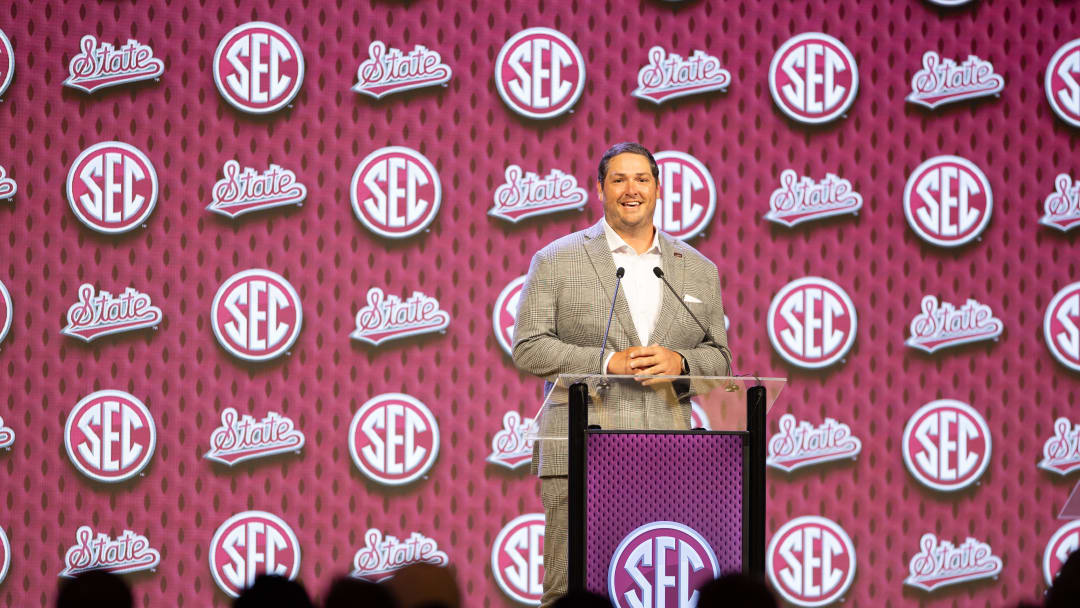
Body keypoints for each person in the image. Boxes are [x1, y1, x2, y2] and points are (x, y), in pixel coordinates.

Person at [512, 142, 732, 607]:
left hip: (666, 456)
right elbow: (528, 347)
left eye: (642, 180)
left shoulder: (697, 269)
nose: (631, 190)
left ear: (657, 189)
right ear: (600, 189)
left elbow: (721, 359)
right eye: (618, 179)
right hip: (579, 452)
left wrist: (682, 364)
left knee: (656, 593)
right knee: (571, 592)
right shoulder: (556, 260)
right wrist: (605, 362)